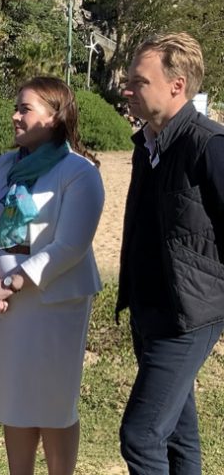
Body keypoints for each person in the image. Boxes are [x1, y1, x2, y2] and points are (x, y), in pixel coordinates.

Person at [0, 77, 104, 475]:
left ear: (54, 116)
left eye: (24, 108)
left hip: (52, 307)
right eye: (16, 107)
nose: (15, 115)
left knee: (52, 406)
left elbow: (69, 247)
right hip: (2, 307)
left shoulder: (79, 173)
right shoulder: (5, 165)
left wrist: (8, 284)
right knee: (16, 400)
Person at [117, 32, 224, 474]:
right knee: (179, 438)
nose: (128, 89)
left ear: (176, 85)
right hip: (151, 311)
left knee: (140, 436)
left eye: (139, 81)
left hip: (188, 316)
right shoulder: (149, 145)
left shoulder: (208, 143)